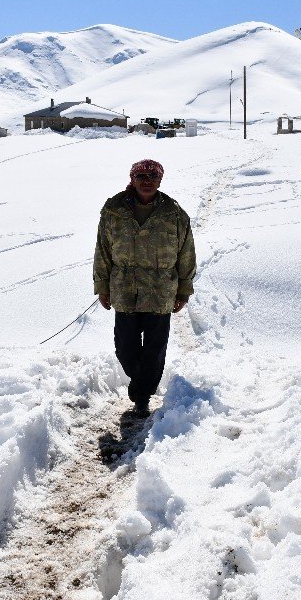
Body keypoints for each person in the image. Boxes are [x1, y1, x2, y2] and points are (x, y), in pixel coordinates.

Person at [93, 159, 196, 415]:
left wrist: (184, 289)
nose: (147, 180)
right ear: (132, 179)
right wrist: (102, 286)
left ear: (160, 180)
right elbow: (103, 251)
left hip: (161, 293)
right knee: (125, 349)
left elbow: (186, 253)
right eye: (141, 176)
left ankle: (142, 396)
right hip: (124, 292)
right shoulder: (114, 209)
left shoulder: (174, 213)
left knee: (154, 350)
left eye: (153, 175)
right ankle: (141, 384)